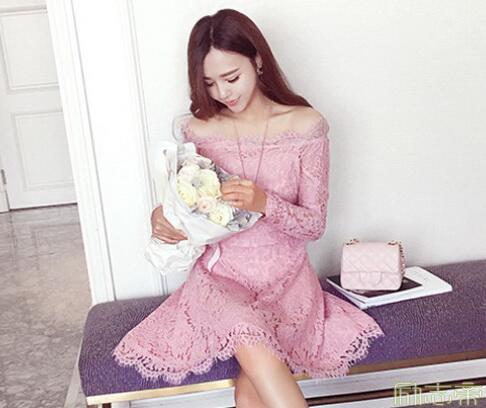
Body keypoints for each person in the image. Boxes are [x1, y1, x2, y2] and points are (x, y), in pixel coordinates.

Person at [113, 8, 385, 408]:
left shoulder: (306, 126)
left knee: (249, 390)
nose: (223, 93)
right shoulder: (196, 130)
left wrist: (264, 203)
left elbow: (314, 225)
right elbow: (185, 203)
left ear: (257, 60)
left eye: (231, 77)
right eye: (209, 82)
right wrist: (161, 217)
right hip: (219, 279)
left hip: (288, 281)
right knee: (247, 333)